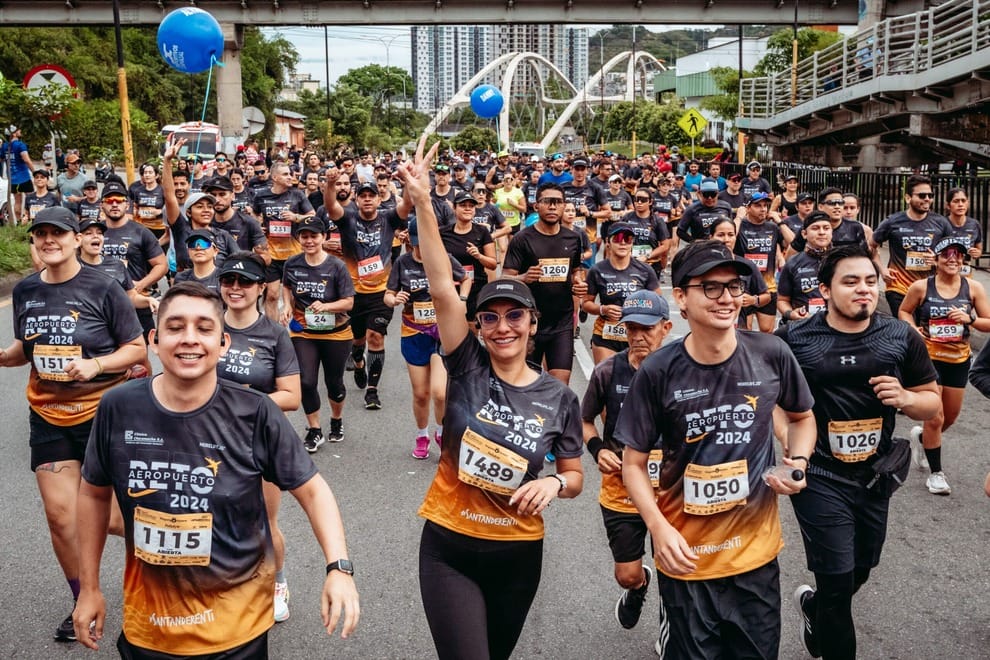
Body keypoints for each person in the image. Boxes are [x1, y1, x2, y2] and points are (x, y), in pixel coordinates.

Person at [73, 282, 360, 656]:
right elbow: (93, 494)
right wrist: (90, 588)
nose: (189, 339)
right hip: (150, 626)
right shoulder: (118, 406)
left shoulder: (255, 411)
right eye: (175, 327)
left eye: (204, 329)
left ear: (223, 344)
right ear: (154, 340)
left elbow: (313, 489)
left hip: (236, 628)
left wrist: (339, 568)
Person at [403, 138, 583, 660]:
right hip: (449, 548)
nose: (502, 326)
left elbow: (573, 478)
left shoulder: (558, 397)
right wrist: (420, 202)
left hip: (519, 553)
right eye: (490, 317)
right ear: (478, 326)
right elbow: (440, 286)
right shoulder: (466, 364)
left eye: (514, 317)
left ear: (532, 325)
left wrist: (553, 481)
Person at [616, 239, 816, 660]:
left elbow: (801, 418)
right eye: (711, 287)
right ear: (681, 298)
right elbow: (632, 463)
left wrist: (796, 462)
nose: (727, 297)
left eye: (734, 286)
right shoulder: (658, 371)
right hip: (688, 560)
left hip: (755, 559)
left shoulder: (771, 353)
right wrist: (658, 528)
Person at [776, 245, 940, 660]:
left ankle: (814, 608)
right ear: (825, 289)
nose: (864, 290)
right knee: (836, 586)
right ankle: (826, 608)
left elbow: (931, 403)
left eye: (871, 281)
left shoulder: (899, 335)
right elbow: (771, 402)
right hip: (819, 474)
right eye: (850, 282)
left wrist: (904, 397)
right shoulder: (794, 338)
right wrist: (791, 443)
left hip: (874, 474)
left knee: (859, 573)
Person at [0, 207, 145, 642]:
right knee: (61, 517)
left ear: (77, 239)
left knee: (122, 518)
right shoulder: (26, 290)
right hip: (48, 414)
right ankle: (84, 597)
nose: (49, 240)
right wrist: (6, 356)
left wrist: (95, 364)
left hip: (106, 414)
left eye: (57, 233)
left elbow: (136, 350)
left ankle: (165, 583)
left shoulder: (104, 287)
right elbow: (27, 347)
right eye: (40, 234)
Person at [580, 290, 672, 641]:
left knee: (673, 568)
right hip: (621, 489)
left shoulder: (682, 370)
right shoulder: (607, 372)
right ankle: (638, 587)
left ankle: (670, 632)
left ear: (665, 327)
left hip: (672, 488)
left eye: (646, 328)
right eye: (630, 328)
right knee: (627, 574)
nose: (637, 336)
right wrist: (597, 448)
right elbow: (584, 420)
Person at [217, 252, 302, 623]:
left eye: (244, 283)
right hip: (207, 437)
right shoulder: (205, 325)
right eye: (229, 281)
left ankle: (277, 581)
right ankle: (223, 582)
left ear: (260, 288)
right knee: (209, 517)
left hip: (258, 441)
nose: (235, 288)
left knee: (263, 522)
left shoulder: (274, 335)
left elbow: (292, 396)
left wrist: (239, 403)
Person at [898, 238, 990, 495]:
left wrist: (969, 319)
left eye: (958, 255)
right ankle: (936, 474)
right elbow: (904, 312)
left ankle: (922, 439)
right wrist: (912, 329)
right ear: (936, 259)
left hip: (958, 359)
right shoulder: (921, 287)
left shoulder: (973, 288)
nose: (953, 259)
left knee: (949, 417)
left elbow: (988, 322)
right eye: (947, 254)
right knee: (935, 417)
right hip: (928, 358)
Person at [322, 174, 410, 411]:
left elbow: (407, 204)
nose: (368, 200)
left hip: (382, 292)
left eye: (372, 196)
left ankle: (372, 390)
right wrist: (330, 185)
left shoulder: (389, 218)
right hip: (352, 293)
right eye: (363, 196)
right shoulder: (348, 219)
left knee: (376, 337)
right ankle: (359, 361)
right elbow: (331, 207)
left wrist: (410, 182)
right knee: (358, 339)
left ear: (379, 200)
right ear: (357, 199)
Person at [386, 219, 469, 458]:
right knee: (420, 393)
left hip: (441, 332)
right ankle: (422, 435)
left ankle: (442, 432)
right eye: (416, 244)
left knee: (440, 392)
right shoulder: (402, 263)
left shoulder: (443, 259)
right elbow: (388, 294)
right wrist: (394, 300)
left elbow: (465, 278)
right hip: (413, 331)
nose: (420, 248)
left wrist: (461, 299)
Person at [281, 217, 355, 450]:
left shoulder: (337, 266)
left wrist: (326, 306)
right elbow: (286, 287)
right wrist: (287, 307)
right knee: (306, 380)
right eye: (304, 236)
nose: (309, 241)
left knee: (334, 383)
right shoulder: (292, 264)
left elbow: (349, 303)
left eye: (314, 236)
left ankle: (336, 420)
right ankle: (314, 429)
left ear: (323, 237)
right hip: (304, 332)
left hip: (336, 332)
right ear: (299, 238)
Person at [502, 182, 588, 385]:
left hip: (562, 322)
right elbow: (505, 279)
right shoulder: (522, 239)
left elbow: (576, 270)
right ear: (536, 205)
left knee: (560, 385)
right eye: (547, 202)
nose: (552, 207)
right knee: (529, 384)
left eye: (557, 202)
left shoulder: (573, 238)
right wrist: (523, 278)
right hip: (529, 323)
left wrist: (579, 282)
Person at [870, 174, 953, 317]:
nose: (927, 199)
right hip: (899, 287)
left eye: (930, 195)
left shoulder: (941, 223)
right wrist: (882, 269)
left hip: (931, 288)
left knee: (925, 334)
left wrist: (938, 260)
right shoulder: (893, 222)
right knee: (907, 329)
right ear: (908, 198)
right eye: (922, 195)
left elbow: (953, 254)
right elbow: (871, 246)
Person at [582, 223, 661, 364]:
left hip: (637, 335)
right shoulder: (597, 270)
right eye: (618, 238)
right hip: (606, 334)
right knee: (607, 380)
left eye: (628, 238)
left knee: (638, 382)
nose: (623, 242)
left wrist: (638, 309)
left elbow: (658, 303)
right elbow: (586, 304)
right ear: (608, 242)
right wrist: (603, 309)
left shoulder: (645, 270)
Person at [734, 192, 792, 332]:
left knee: (767, 331)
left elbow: (794, 243)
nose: (763, 209)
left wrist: (779, 221)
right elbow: (727, 241)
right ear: (748, 208)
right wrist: (738, 217)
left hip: (767, 286)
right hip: (745, 286)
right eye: (758, 205)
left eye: (765, 205)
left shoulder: (772, 227)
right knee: (744, 331)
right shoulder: (740, 225)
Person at [441, 190, 498, 320]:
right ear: (454, 208)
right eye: (463, 205)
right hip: (450, 289)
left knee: (472, 329)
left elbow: (493, 264)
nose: (467, 209)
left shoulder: (482, 231)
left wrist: (479, 256)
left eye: (471, 206)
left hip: (476, 287)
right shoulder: (443, 233)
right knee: (452, 330)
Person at [709, 217, 771, 329]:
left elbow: (766, 296)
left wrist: (753, 300)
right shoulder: (701, 265)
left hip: (739, 330)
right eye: (721, 235)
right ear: (711, 238)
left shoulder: (747, 265)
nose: (726, 239)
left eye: (730, 235)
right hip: (710, 328)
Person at [778, 211, 833, 323]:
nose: (822, 232)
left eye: (826, 228)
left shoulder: (842, 260)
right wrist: (791, 313)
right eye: (815, 228)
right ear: (804, 234)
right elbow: (782, 300)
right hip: (803, 326)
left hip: (834, 327)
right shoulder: (793, 263)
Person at [943, 187, 983, 272]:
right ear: (948, 205)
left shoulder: (974, 224)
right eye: (956, 201)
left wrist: (977, 253)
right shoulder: (941, 224)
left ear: (967, 203)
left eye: (963, 201)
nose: (960, 204)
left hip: (965, 271)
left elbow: (979, 249)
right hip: (945, 271)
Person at [3, 125, 36, 222]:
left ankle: (18, 222)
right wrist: (35, 172)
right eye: (18, 130)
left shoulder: (5, 146)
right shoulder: (20, 145)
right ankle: (32, 220)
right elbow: (26, 160)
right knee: (31, 199)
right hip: (24, 178)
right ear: (14, 133)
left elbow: (2, 159)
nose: (20, 131)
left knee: (17, 201)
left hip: (12, 180)